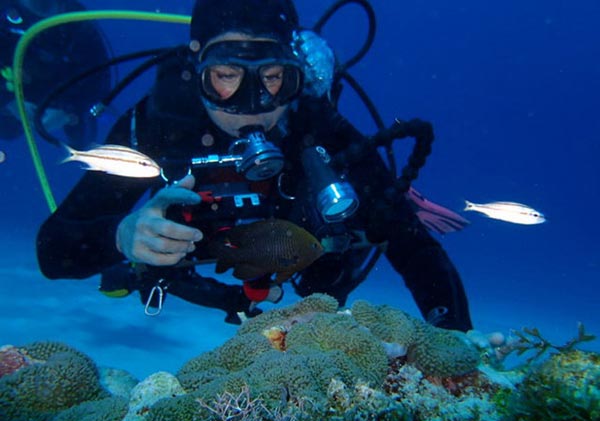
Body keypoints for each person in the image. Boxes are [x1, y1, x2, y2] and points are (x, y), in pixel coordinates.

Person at [36, 0, 473, 331]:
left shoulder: (312, 121)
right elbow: (53, 252)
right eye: (226, 76)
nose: (252, 105)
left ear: (295, 71)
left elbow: (411, 243)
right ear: (197, 66)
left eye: (272, 77)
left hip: (298, 266)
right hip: (198, 276)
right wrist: (122, 234)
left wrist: (455, 341)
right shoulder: (161, 125)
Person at [0, 0, 112, 146]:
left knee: (84, 138)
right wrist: (8, 101)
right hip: (10, 88)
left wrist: (69, 112)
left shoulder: (77, 22)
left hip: (61, 94)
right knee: (8, 131)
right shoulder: (4, 11)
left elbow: (100, 81)